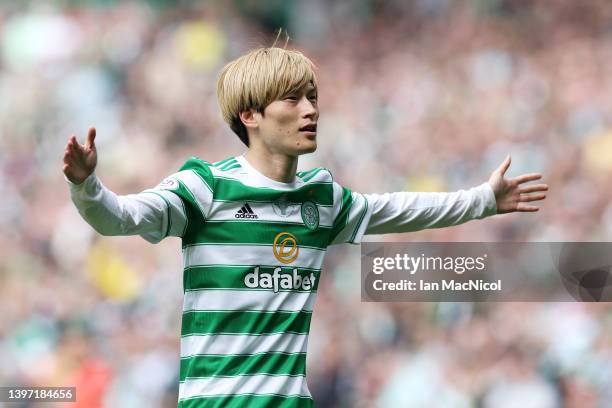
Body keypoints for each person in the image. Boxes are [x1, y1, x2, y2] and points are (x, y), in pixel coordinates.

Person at [62, 46, 548, 407]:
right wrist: (87, 185)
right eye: (292, 99)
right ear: (250, 114)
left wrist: (484, 199)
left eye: (312, 97)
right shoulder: (205, 187)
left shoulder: (322, 198)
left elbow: (397, 208)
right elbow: (119, 218)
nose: (311, 109)